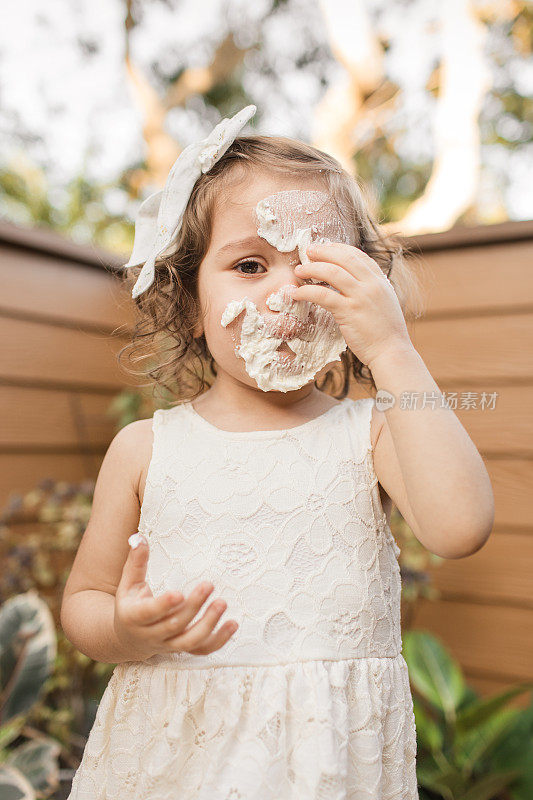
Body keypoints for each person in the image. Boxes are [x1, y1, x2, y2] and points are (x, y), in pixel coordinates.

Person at [61, 105, 494, 799]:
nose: (284, 294)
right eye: (250, 263)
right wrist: (125, 629)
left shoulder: (372, 433)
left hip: (323, 765)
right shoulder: (144, 448)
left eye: (317, 268)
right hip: (174, 760)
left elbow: (460, 525)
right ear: (189, 296)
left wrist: (391, 350)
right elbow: (84, 600)